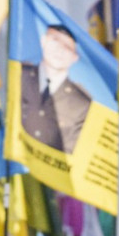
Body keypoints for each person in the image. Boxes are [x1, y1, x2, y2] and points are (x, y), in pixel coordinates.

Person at [19, 24, 91, 152]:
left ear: (75, 58)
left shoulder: (81, 103)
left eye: (67, 47)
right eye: (55, 41)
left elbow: (76, 154)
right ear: (43, 41)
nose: (60, 50)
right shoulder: (17, 76)